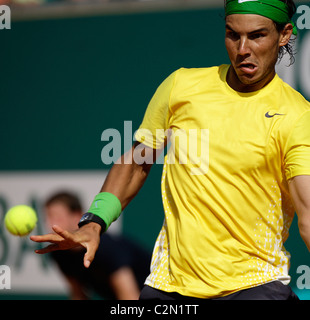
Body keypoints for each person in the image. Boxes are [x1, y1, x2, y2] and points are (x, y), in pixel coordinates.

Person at [31, 0, 310, 300]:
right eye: (232, 34)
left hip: (255, 286)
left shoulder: (297, 116)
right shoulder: (181, 86)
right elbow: (138, 161)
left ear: (284, 35)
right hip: (169, 286)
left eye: (257, 35)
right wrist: (95, 222)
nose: (242, 48)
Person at [43, 191, 151, 300]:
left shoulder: (106, 248)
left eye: (57, 217)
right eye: (48, 217)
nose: (50, 224)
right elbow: (78, 295)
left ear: (77, 217)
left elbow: (129, 298)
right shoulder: (58, 251)